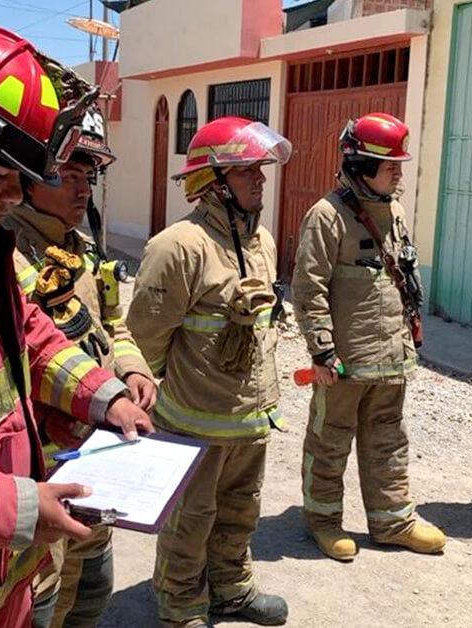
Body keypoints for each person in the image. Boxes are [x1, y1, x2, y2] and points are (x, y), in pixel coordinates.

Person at [0, 23, 152, 626]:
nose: (17, 195)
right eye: (1, 174)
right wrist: (20, 508)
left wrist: (104, 395)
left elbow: (29, 333)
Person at [127, 116, 291, 627]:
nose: (260, 180)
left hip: (250, 420)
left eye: (260, 170)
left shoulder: (260, 239)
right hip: (194, 423)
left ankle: (232, 591)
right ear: (213, 184)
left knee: (241, 511)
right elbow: (143, 339)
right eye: (246, 172)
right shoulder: (177, 246)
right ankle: (181, 605)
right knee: (191, 520)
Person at [4, 106, 157, 628]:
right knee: (43, 599)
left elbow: (113, 322)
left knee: (92, 593)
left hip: (101, 452)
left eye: (88, 177)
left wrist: (133, 370)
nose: (82, 189)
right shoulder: (6, 256)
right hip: (44, 467)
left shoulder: (81, 250)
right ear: (27, 178)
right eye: (68, 175)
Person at [291, 112, 444, 561]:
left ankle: (392, 522)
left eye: (400, 164)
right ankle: (322, 521)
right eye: (391, 165)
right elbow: (308, 288)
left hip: (390, 360)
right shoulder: (326, 217)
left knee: (388, 440)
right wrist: (321, 350)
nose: (399, 172)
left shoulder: (393, 210)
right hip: (344, 363)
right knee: (329, 440)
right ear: (360, 166)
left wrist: (408, 339)